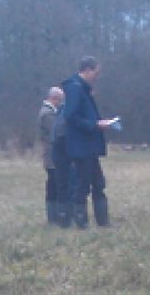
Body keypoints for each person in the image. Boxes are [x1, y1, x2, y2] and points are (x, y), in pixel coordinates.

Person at [62, 56, 117, 228]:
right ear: (86, 70)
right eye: (95, 72)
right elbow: (71, 117)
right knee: (82, 185)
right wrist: (94, 125)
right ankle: (81, 223)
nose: (96, 77)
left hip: (90, 147)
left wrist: (100, 122)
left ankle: (103, 221)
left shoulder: (84, 89)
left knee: (99, 183)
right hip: (81, 147)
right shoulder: (74, 89)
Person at [38, 87, 65, 225]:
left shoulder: (50, 112)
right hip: (51, 156)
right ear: (54, 98)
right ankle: (54, 217)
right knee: (54, 186)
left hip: (53, 155)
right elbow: (57, 131)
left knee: (54, 185)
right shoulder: (47, 114)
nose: (61, 103)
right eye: (60, 100)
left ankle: (55, 216)